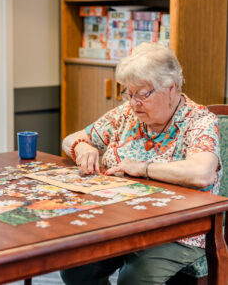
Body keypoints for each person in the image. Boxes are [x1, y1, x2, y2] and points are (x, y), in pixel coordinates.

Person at [61, 42, 221, 285]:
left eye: (143, 94)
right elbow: (71, 139)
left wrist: (142, 168)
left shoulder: (199, 121)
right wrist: (83, 147)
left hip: (180, 232)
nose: (133, 102)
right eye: (128, 92)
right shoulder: (125, 115)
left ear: (171, 88)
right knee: (76, 268)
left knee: (134, 279)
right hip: (122, 222)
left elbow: (202, 173)